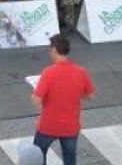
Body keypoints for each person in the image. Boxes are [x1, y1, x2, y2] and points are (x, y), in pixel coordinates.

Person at [32, 34, 95, 165]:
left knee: (36, 157)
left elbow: (36, 100)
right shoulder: (81, 72)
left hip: (48, 126)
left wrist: (36, 93)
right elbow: (91, 96)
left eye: (49, 50)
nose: (49, 52)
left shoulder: (48, 72)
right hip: (71, 127)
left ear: (54, 50)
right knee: (70, 160)